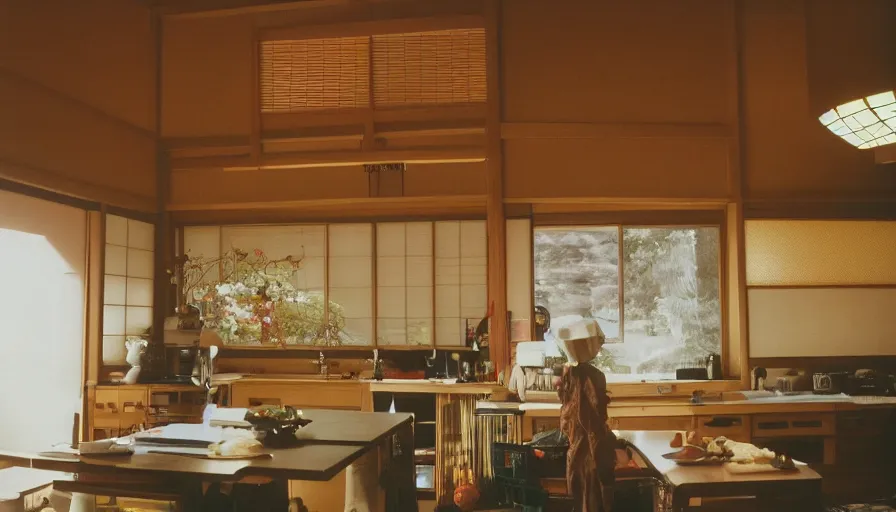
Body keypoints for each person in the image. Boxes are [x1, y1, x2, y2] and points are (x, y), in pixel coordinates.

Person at [553, 317, 617, 512]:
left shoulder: (569, 373)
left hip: (585, 441)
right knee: (588, 481)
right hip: (586, 441)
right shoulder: (581, 374)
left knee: (585, 483)